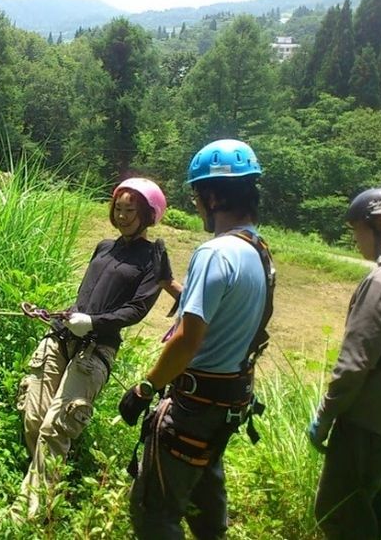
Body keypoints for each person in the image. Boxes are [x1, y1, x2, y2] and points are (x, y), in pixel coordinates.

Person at [124, 139, 274, 539]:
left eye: (195, 194)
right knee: (205, 496)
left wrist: (144, 388)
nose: (194, 203)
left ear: (211, 195)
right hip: (229, 398)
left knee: (154, 513)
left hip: (196, 401)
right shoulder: (257, 249)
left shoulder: (215, 252)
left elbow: (189, 340)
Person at [13, 177, 182, 521]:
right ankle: (48, 486)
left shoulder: (152, 257)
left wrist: (93, 323)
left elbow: (136, 309)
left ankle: (27, 513)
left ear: (149, 214)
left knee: (55, 427)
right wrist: (70, 317)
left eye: (130, 211)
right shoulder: (104, 247)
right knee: (33, 418)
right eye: (118, 209)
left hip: (97, 346)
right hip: (62, 335)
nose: (122, 216)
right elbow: (89, 292)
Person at [309, 186, 381, 540]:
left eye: (357, 230)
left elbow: (355, 364)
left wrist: (324, 418)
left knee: (338, 514)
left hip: (370, 425)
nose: (356, 241)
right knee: (376, 506)